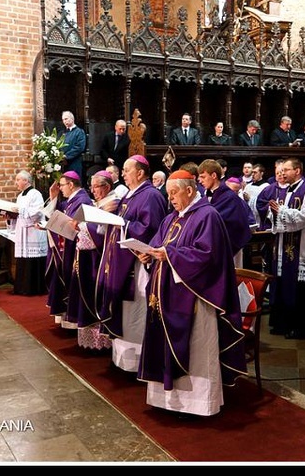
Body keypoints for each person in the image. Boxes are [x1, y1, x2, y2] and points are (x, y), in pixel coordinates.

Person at [136, 169, 247, 417]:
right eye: (168, 194)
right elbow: (157, 244)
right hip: (165, 297)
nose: (171, 199)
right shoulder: (171, 218)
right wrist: (147, 254)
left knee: (196, 348)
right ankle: (166, 400)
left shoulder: (208, 216)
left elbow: (207, 255)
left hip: (195, 297)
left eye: (174, 193)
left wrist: (170, 255)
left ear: (189, 190)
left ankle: (198, 404)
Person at [97, 155, 167, 373]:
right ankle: (121, 360)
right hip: (122, 264)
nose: (123, 175)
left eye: (127, 170)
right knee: (124, 314)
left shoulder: (151, 196)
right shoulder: (130, 195)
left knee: (135, 313)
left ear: (140, 173)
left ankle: (137, 362)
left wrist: (121, 221)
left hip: (137, 266)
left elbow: (151, 229)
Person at [267, 157, 305, 339]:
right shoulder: (283, 191)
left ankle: (302, 327)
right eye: (281, 171)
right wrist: (273, 213)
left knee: (301, 289)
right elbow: (274, 214)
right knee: (282, 282)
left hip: (302, 247)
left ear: (297, 171)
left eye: (287, 170)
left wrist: (281, 212)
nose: (283, 173)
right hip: (283, 246)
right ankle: (283, 323)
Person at [69, 170, 120, 351]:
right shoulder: (98, 203)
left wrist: (82, 224)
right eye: (91, 186)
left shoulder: (112, 202)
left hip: (97, 258)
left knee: (95, 297)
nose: (92, 190)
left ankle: (100, 341)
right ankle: (90, 338)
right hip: (87, 257)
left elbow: (103, 233)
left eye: (96, 186)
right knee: (87, 295)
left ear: (106, 187)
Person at [41, 171, 93, 328]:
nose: (61, 188)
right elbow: (60, 213)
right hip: (68, 247)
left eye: (62, 185)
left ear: (71, 185)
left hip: (74, 249)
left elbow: (74, 224)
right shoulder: (73, 199)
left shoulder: (82, 200)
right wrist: (53, 196)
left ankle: (72, 321)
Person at [198, 159, 252, 268]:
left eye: (203, 177)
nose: (199, 180)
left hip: (228, 248)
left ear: (213, 175)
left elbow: (238, 225)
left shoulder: (229, 197)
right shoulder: (206, 196)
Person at [8, 170, 48, 295]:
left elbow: (38, 212)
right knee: (23, 260)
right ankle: (22, 287)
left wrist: (20, 210)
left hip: (33, 231)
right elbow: (19, 213)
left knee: (33, 261)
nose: (16, 182)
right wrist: (10, 216)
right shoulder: (20, 196)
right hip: (22, 231)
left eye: (18, 179)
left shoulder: (35, 194)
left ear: (26, 181)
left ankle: (33, 288)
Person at [60, 110, 87, 180]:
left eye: (66, 119)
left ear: (72, 119)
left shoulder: (79, 132)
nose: (64, 121)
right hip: (63, 164)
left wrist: (66, 156)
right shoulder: (62, 133)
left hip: (74, 163)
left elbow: (80, 147)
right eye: (63, 120)